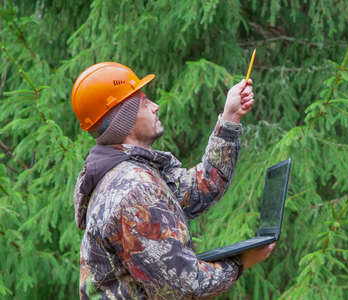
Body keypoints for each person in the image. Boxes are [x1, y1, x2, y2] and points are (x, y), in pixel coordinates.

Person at [71, 62, 275, 299]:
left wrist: (230, 119)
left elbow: (198, 190)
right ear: (124, 118)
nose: (155, 107)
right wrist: (240, 263)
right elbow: (185, 288)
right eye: (144, 101)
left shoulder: (129, 173)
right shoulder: (134, 189)